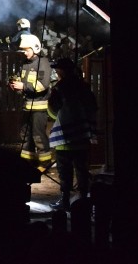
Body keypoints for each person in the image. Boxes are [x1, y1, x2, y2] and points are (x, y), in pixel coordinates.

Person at [47, 57, 97, 211]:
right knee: (82, 169)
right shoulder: (84, 86)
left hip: (64, 136)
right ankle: (83, 199)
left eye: (57, 69)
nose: (56, 71)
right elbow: (92, 107)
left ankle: (65, 200)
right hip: (82, 134)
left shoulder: (59, 88)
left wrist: (62, 118)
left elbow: (52, 110)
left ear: (61, 70)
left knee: (65, 170)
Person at [10, 33, 53, 168]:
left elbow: (42, 85)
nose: (24, 53)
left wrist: (23, 86)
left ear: (35, 48)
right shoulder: (25, 64)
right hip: (27, 106)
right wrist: (15, 85)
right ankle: (27, 162)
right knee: (26, 135)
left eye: (27, 50)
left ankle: (45, 162)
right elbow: (22, 81)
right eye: (23, 50)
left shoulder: (43, 63)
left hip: (39, 108)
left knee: (38, 135)